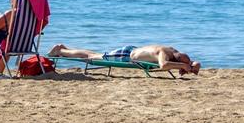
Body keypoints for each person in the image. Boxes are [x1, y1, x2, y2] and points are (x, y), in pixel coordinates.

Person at [47, 43, 201, 75]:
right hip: (126, 56)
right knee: (91, 57)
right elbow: (164, 65)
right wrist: (182, 66)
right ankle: (60, 50)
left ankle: (65, 49)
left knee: (94, 53)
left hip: (131, 51)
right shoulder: (164, 53)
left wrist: (193, 65)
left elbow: (189, 61)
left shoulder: (173, 51)